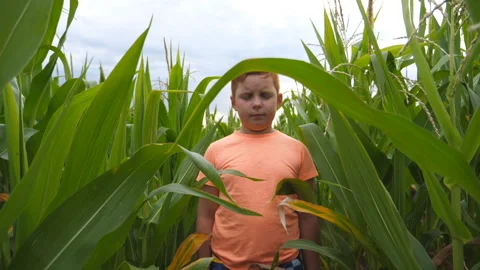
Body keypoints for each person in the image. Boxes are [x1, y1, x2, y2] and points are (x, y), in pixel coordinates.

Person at [195, 72, 320, 270]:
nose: (257, 104)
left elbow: (308, 216)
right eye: (247, 96)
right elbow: (205, 216)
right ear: (233, 102)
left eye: (265, 95)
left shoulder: (297, 150)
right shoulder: (216, 151)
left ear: (278, 100)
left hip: (286, 263)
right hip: (226, 265)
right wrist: (202, 265)